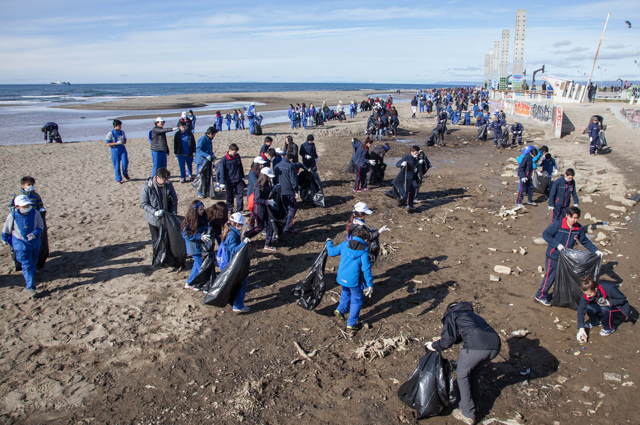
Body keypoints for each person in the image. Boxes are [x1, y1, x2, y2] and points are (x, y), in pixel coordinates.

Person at [425, 302, 501, 425]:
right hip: (495, 346)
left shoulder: (452, 315)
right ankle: (475, 405)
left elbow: (447, 340)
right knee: (474, 373)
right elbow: (458, 336)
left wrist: (433, 346)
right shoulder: (470, 315)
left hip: (476, 346)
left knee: (462, 375)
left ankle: (467, 413)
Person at [535, 206, 601, 306]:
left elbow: (584, 241)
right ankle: (540, 296)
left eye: (576, 218)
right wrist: (557, 245)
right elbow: (546, 234)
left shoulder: (578, 228)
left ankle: (558, 296)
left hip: (566, 258)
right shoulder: (558, 225)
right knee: (550, 276)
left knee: (561, 277)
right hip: (553, 255)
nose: (573, 220)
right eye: (572, 218)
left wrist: (596, 251)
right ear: (567, 216)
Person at [327, 227, 374, 332]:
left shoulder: (344, 244)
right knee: (357, 300)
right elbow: (366, 269)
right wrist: (370, 284)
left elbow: (331, 252)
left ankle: (340, 309)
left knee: (345, 291)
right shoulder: (364, 251)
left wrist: (329, 242)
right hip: (354, 281)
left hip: (341, 278)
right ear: (365, 240)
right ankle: (352, 323)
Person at [2, 195, 44, 297]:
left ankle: (32, 274)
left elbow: (40, 226)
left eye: (28, 205)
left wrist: (35, 233)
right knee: (26, 264)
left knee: (34, 261)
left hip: (34, 243)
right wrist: (4, 238)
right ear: (17, 207)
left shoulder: (35, 213)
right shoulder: (12, 216)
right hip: (20, 245)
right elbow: (6, 229)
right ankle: (30, 286)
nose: (27, 207)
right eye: (24, 206)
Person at [220, 212, 252, 313]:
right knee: (240, 283)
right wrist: (244, 242)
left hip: (230, 263)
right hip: (233, 264)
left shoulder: (230, 231)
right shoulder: (232, 235)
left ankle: (235, 303)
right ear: (236, 224)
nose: (242, 227)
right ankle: (238, 305)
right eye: (241, 225)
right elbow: (234, 250)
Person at [140, 167, 178, 248]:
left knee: (168, 239)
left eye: (167, 179)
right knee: (156, 240)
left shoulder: (168, 184)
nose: (166, 181)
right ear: (157, 178)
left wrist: (173, 213)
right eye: (164, 179)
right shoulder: (147, 187)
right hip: (153, 219)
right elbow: (144, 203)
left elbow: (174, 200)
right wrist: (154, 212)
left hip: (167, 217)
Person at [244, 168, 277, 252]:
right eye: (269, 176)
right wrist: (267, 202)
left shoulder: (266, 184)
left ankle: (268, 244)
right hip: (259, 208)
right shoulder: (258, 186)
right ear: (265, 176)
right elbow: (257, 200)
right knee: (260, 227)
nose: (270, 178)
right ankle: (246, 235)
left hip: (264, 207)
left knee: (269, 225)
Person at [182, 200, 211, 291]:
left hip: (200, 247)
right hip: (193, 248)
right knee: (202, 267)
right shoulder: (189, 222)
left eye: (203, 209)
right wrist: (200, 236)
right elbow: (186, 235)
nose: (202, 211)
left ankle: (189, 282)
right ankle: (206, 286)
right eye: (200, 210)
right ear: (195, 211)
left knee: (196, 265)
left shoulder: (202, 218)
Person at [274, 154, 300, 234]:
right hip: (289, 191)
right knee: (292, 208)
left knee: (284, 209)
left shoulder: (276, 166)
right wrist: (295, 190)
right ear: (290, 159)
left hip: (280, 192)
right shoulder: (290, 167)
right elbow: (293, 180)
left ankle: (283, 224)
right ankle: (288, 227)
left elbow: (275, 180)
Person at [219, 143, 245, 214]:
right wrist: (222, 182)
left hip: (238, 179)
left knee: (239, 195)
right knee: (229, 195)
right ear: (230, 150)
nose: (235, 153)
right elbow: (222, 171)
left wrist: (242, 177)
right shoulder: (224, 159)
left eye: (236, 152)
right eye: (234, 152)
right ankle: (230, 209)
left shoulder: (237, 156)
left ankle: (240, 209)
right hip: (229, 181)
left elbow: (240, 167)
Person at [396, 145, 423, 211]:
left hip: (412, 177)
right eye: (415, 153)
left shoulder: (415, 159)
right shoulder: (406, 157)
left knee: (413, 189)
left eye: (417, 153)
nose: (417, 155)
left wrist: (418, 165)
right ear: (411, 152)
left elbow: (415, 166)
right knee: (405, 191)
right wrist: (402, 164)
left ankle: (410, 205)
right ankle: (403, 204)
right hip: (405, 178)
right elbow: (397, 164)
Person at [195, 126, 218, 196]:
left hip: (207, 161)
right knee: (201, 177)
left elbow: (209, 150)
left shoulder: (209, 140)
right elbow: (198, 150)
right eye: (214, 134)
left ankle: (205, 191)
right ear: (210, 133)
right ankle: (200, 193)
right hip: (201, 161)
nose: (214, 136)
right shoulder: (202, 140)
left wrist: (212, 154)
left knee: (207, 177)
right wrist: (206, 155)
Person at [105, 119, 130, 184]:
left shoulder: (122, 132)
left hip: (122, 150)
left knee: (125, 162)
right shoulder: (110, 133)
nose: (120, 127)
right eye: (119, 125)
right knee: (117, 166)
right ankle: (118, 179)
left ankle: (125, 173)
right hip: (115, 151)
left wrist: (122, 142)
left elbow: (125, 141)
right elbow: (108, 144)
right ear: (115, 126)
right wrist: (116, 143)